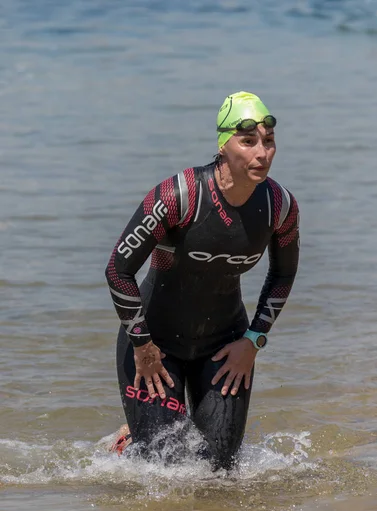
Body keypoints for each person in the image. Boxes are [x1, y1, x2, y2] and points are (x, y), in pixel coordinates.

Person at [105, 91, 300, 470]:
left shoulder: (280, 207)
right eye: (248, 141)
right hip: (155, 345)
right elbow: (118, 270)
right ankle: (128, 442)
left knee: (220, 472)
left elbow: (283, 274)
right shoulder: (180, 195)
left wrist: (254, 340)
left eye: (269, 141)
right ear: (223, 146)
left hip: (226, 346)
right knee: (167, 469)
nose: (262, 153)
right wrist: (142, 347)